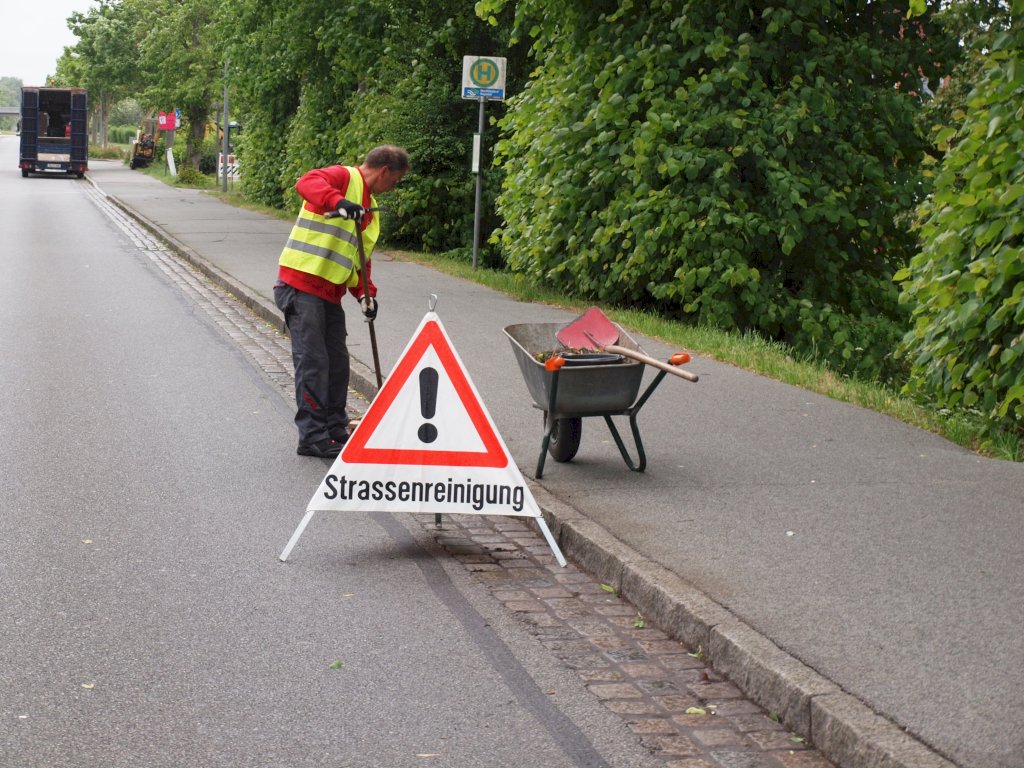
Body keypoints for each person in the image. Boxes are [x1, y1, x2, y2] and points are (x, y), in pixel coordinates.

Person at [274, 145, 410, 458]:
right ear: (384, 171)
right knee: (314, 363)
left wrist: (365, 294)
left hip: (329, 292)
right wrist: (338, 202)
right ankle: (311, 436)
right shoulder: (342, 177)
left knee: (337, 363)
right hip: (300, 285)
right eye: (395, 180)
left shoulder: (369, 210)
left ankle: (335, 428)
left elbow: (359, 258)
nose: (393, 187)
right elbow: (306, 182)